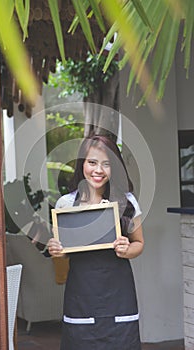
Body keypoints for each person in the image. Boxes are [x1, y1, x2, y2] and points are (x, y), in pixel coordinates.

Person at [47, 134, 144, 350]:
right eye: (92, 162)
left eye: (106, 164)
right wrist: (57, 251)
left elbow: (139, 243)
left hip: (119, 295)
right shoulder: (66, 204)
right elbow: (62, 255)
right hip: (81, 296)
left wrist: (126, 249)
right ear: (82, 164)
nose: (98, 170)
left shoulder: (126, 202)